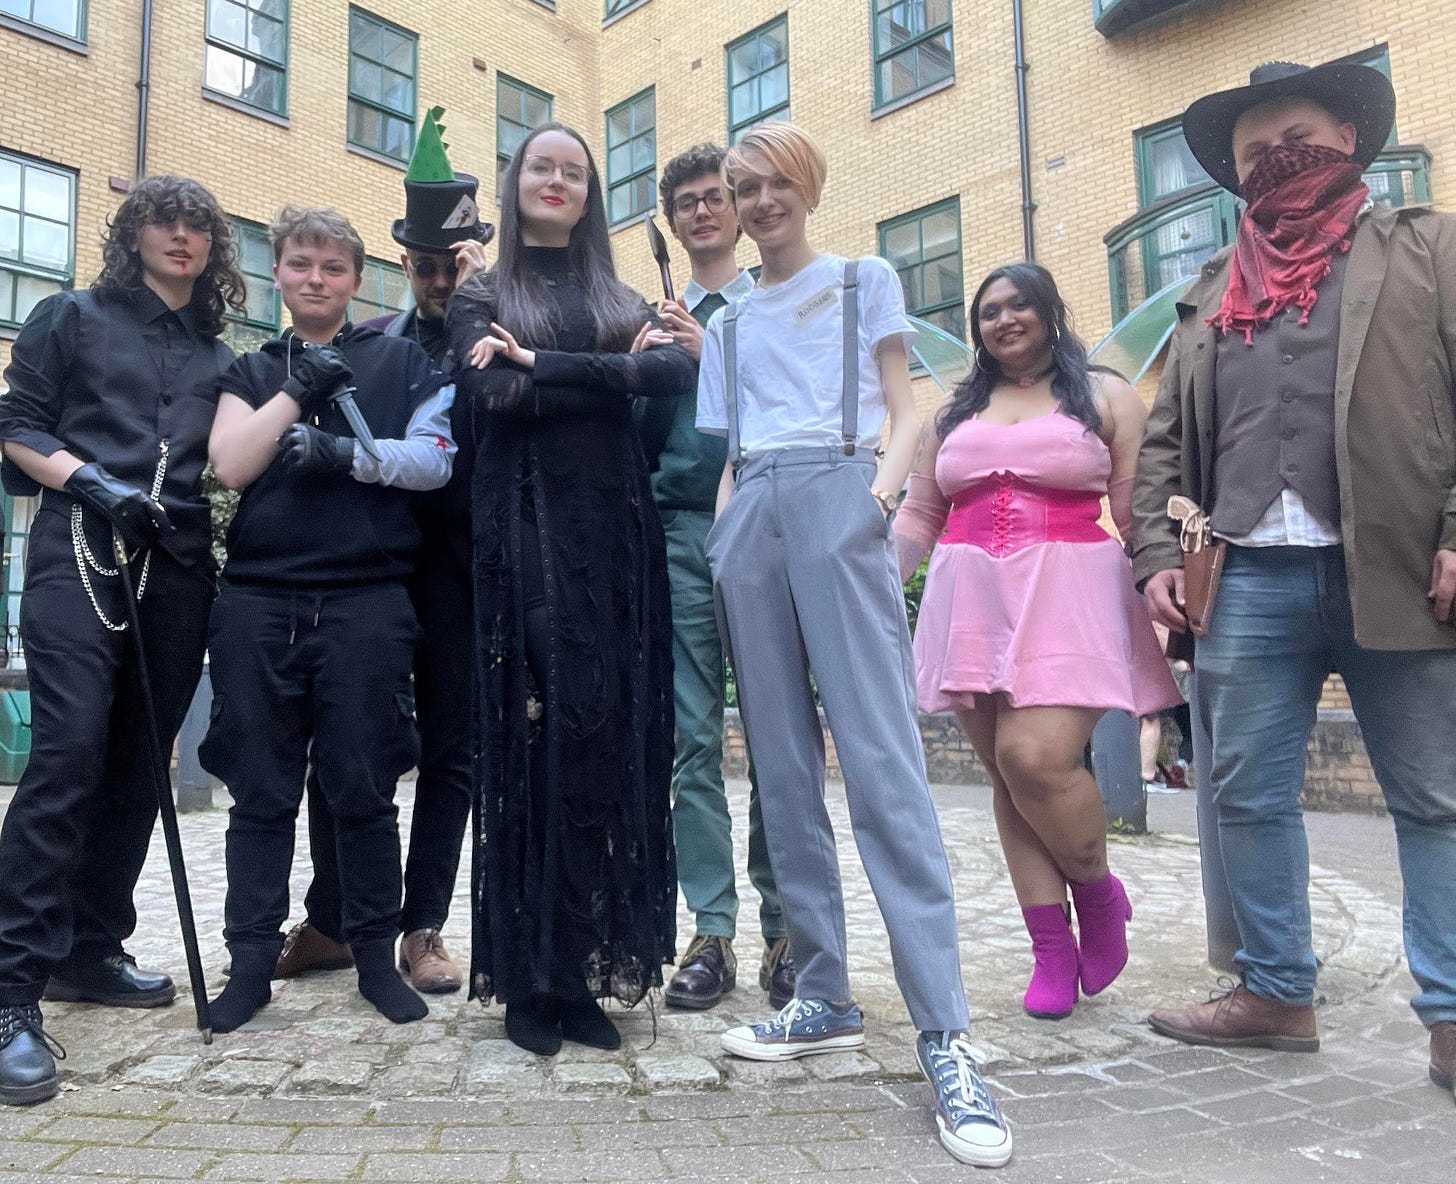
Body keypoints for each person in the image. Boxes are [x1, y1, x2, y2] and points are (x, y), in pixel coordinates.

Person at [1132, 60, 1456, 1100]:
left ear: (1350, 140)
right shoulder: (1203, 297)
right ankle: (1275, 991)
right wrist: (1151, 560)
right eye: (1253, 151)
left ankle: (1451, 1015)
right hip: (1246, 578)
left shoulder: (1429, 249)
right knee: (1244, 797)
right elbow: (1160, 455)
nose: (1276, 158)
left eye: (1297, 136)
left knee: (1435, 797)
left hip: (1399, 569)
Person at [698, 122, 1013, 1169]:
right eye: (742, 186)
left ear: (806, 184)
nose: (757, 198)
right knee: (780, 767)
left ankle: (944, 1030)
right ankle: (821, 989)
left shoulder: (859, 278)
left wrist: (877, 504)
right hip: (753, 515)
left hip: (842, 492)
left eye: (772, 180)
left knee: (883, 765)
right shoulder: (730, 316)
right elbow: (731, 443)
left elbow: (905, 401)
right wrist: (723, 533)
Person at [448, 124, 691, 1057]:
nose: (557, 180)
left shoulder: (618, 291)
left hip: (614, 538)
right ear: (515, 186)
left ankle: (583, 970)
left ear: (589, 193)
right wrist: (605, 375)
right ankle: (527, 976)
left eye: (573, 171)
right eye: (541, 167)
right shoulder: (482, 291)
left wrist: (543, 364)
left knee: (601, 743)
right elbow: (492, 399)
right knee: (537, 739)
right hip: (527, 530)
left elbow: (672, 368)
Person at [0, 176, 244, 1104]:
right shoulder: (70, 316)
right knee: (65, 753)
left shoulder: (221, 356)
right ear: (133, 232)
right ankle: (11, 990)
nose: (181, 236)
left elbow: (228, 467)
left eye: (197, 224)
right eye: (163, 220)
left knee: (139, 764)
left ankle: (89, 947)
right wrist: (90, 482)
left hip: (178, 568)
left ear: (214, 246)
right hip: (80, 551)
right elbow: (16, 423)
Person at [893, 263, 1181, 1023]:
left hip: (1070, 594)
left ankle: (1099, 895)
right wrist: (868, 589)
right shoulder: (951, 413)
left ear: (1050, 311)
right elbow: (919, 517)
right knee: (1006, 777)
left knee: (1035, 758)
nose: (1004, 318)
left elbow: (1133, 505)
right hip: (970, 598)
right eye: (988, 310)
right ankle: (1051, 948)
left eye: (1020, 303)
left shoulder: (1106, 394)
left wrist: (1164, 577)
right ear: (976, 328)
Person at [202, 206, 455, 1033]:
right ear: (278, 272)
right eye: (300, 265)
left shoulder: (402, 360)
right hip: (258, 601)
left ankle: (374, 960)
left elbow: (434, 466)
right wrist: (294, 393)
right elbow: (230, 465)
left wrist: (349, 451)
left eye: (333, 268)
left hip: (366, 601)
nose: (316, 279)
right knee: (261, 793)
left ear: (355, 278)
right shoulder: (247, 368)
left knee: (363, 789)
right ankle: (248, 968)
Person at [277, 109, 492, 995]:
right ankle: (335, 916)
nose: (439, 279)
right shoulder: (371, 348)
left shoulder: (502, 334)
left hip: (470, 570)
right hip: (373, 568)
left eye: (454, 264)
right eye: (425, 265)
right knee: (347, 744)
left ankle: (423, 927)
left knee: (452, 751)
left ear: (473, 258)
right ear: (404, 265)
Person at [638, 143, 793, 1011]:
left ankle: (785, 929)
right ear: (674, 219)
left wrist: (713, 357)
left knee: (776, 735)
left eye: (715, 198)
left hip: (763, 526)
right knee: (691, 741)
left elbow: (795, 411)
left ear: (738, 209)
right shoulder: (659, 314)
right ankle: (713, 930)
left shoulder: (772, 304)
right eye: (688, 201)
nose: (703, 211)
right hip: (678, 534)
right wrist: (638, 365)